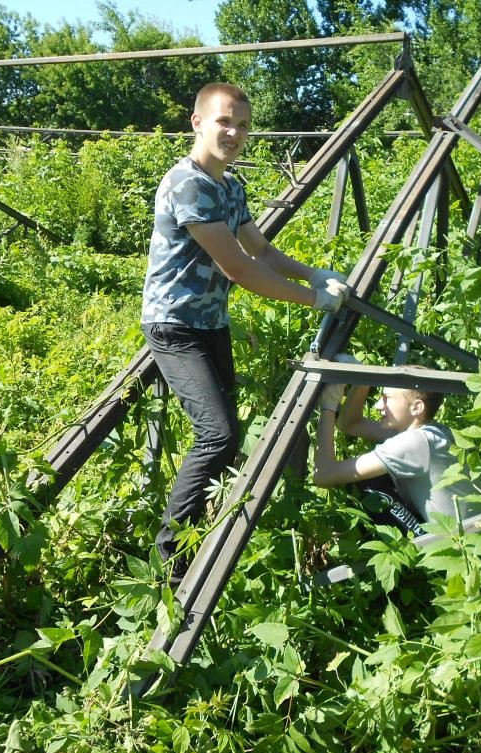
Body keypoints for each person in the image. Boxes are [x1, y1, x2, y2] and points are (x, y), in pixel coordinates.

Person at [141, 82, 350, 580]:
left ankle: (201, 533)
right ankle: (170, 562)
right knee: (217, 435)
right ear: (197, 122)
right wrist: (316, 300)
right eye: (223, 121)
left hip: (209, 323)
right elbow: (240, 269)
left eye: (242, 125)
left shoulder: (229, 186)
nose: (233, 132)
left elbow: (263, 251)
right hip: (174, 326)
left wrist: (313, 273)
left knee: (225, 438)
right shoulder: (187, 184)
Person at [312, 361, 479, 536]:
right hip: (478, 532)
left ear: (416, 407)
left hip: (462, 545)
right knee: (370, 474)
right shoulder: (431, 434)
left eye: (387, 398)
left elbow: (323, 476)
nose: (378, 406)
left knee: (368, 482)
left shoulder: (414, 442)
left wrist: (328, 407)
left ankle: (412, 561)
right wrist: (363, 379)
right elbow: (349, 424)